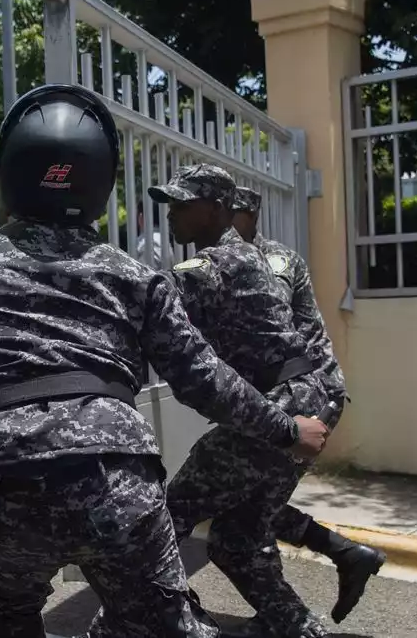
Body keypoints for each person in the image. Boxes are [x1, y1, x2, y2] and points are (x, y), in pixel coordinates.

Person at [0, 83, 329, 638]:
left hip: (6, 480)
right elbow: (203, 379)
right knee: (161, 626)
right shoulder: (133, 275)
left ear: (11, 170)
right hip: (116, 480)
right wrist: (284, 427)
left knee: (11, 621)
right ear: (100, 180)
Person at [149, 164, 334, 638]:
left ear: (214, 209)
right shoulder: (245, 258)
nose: (170, 215)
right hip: (298, 400)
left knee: (163, 519)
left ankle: (154, 622)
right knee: (236, 540)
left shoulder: (211, 267)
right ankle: (300, 628)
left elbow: (141, 303)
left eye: (181, 205)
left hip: (279, 407)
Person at [230, 185, 386, 625]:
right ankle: (344, 557)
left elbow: (263, 325)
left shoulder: (270, 261)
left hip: (304, 398)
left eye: (231, 212)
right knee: (252, 505)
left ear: (248, 215)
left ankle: (287, 618)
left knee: (246, 514)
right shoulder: (232, 259)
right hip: (293, 398)